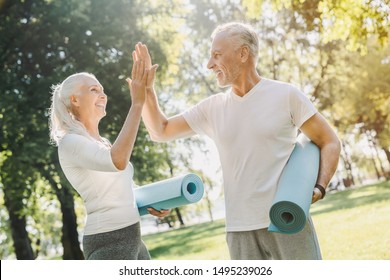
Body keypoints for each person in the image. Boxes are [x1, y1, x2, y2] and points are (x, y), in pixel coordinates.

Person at [137, 22, 341, 260]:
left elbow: (329, 141)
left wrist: (319, 188)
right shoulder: (212, 108)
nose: (209, 64)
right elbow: (160, 131)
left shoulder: (286, 96)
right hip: (239, 230)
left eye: (217, 55)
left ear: (243, 53)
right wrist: (148, 91)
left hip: (287, 222)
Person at [48, 50, 168, 260]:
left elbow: (121, 190)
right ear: (74, 100)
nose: (103, 95)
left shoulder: (103, 143)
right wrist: (137, 103)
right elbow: (118, 161)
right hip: (109, 241)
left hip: (133, 236)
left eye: (102, 90)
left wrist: (155, 201)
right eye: (94, 90)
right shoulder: (70, 143)